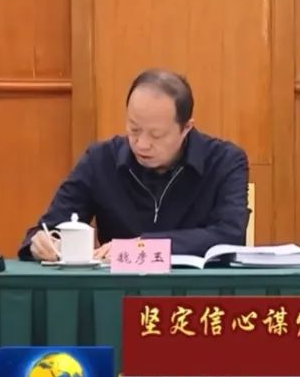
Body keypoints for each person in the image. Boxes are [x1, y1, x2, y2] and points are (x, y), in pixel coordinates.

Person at [19, 69, 250, 262]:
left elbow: (229, 234)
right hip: (118, 294)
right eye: (134, 129)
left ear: (186, 128)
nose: (142, 144)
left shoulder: (225, 161)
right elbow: (50, 227)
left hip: (195, 295)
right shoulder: (100, 160)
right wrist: (41, 242)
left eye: (156, 135)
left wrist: (144, 247)